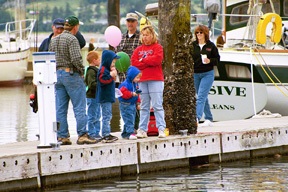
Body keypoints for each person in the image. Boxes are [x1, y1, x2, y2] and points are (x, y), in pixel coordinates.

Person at [49, 15, 97, 145]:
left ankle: (62, 136)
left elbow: (50, 58)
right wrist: (82, 71)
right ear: (75, 27)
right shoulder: (72, 39)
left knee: (60, 108)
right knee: (79, 106)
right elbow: (76, 59)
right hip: (71, 74)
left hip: (57, 75)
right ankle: (82, 134)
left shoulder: (54, 40)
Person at [131, 25, 166, 139]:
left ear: (152, 35)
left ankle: (161, 128)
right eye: (143, 35)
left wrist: (144, 61)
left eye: (147, 35)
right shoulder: (138, 50)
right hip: (142, 80)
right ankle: (142, 129)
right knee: (144, 106)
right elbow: (134, 62)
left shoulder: (158, 47)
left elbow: (157, 60)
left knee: (157, 105)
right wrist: (147, 63)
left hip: (155, 79)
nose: (145, 37)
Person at [116, 12, 142, 131]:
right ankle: (127, 128)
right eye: (128, 21)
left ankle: (137, 127)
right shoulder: (120, 38)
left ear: (136, 22)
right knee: (124, 103)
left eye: (132, 21)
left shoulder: (141, 37)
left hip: (136, 76)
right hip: (123, 78)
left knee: (137, 102)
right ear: (126, 23)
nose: (130, 23)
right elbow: (116, 57)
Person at [191, 25, 220, 127]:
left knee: (201, 97)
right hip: (196, 74)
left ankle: (197, 118)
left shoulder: (211, 46)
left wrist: (209, 60)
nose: (199, 34)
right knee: (202, 96)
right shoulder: (193, 45)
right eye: (197, 33)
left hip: (207, 73)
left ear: (205, 34)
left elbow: (217, 60)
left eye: (201, 32)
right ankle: (209, 118)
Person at [96, 50, 120, 143]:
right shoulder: (103, 70)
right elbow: (102, 80)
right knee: (106, 116)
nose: (114, 64)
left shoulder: (107, 69)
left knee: (108, 115)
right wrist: (111, 76)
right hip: (105, 97)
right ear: (107, 60)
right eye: (113, 61)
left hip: (108, 96)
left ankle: (106, 132)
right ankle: (106, 134)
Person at [118, 66, 141, 140]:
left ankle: (125, 133)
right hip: (125, 104)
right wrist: (131, 94)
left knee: (131, 118)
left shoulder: (135, 84)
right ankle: (130, 133)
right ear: (132, 76)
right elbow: (123, 94)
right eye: (137, 78)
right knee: (129, 119)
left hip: (132, 104)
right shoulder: (125, 84)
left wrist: (138, 103)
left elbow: (138, 95)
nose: (138, 79)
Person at [85, 51, 102, 141]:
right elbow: (92, 84)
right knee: (92, 115)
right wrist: (101, 84)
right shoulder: (91, 71)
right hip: (92, 96)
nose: (100, 61)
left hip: (96, 96)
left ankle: (96, 132)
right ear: (94, 60)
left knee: (97, 115)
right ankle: (92, 133)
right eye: (99, 59)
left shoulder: (95, 70)